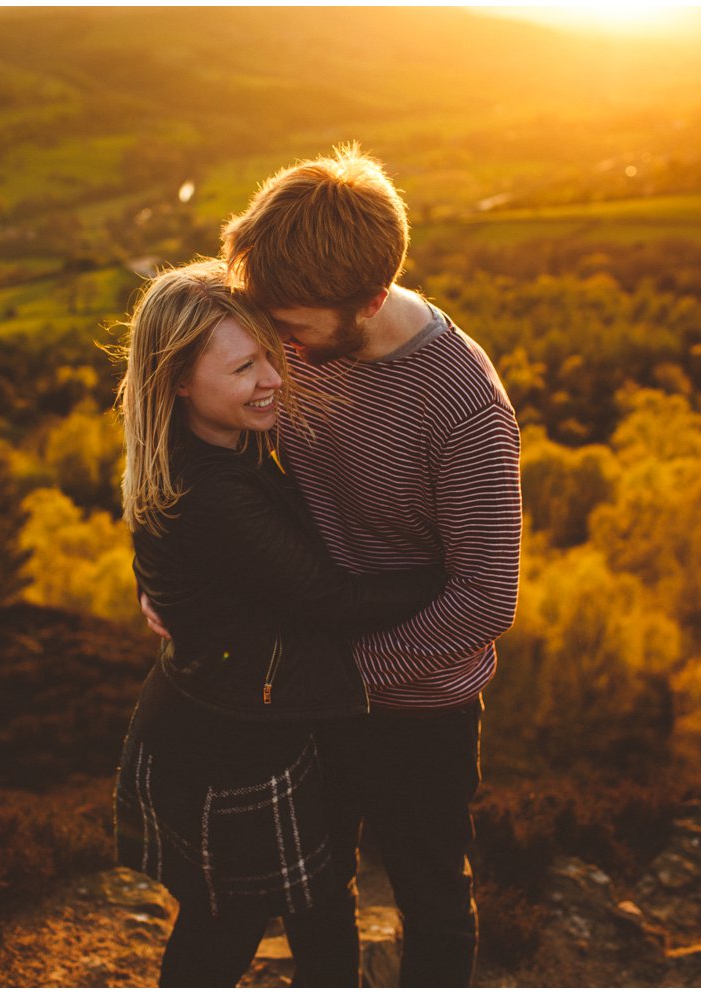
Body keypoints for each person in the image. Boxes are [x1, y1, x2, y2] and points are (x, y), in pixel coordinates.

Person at [144, 145, 523, 986]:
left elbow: (485, 600)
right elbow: (203, 443)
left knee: (430, 894)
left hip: (417, 705)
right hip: (307, 685)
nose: (278, 356)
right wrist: (165, 574)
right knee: (316, 886)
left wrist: (341, 671)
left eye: (292, 333)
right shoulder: (294, 334)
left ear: (372, 300)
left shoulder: (463, 409)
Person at [110, 259, 446, 987]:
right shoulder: (219, 493)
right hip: (233, 745)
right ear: (178, 381)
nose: (271, 378)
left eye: (271, 352)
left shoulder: (201, 447)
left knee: (319, 905)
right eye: (243, 367)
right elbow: (334, 602)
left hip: (237, 717)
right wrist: (450, 569)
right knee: (227, 927)